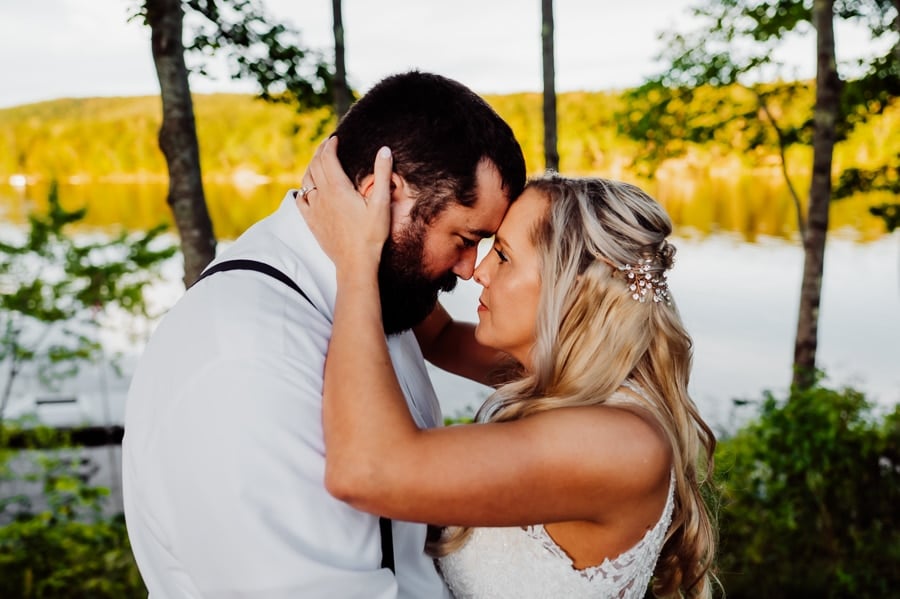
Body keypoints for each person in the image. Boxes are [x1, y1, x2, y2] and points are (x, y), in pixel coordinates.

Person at [122, 71, 526, 598]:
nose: (470, 268)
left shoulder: (372, 289)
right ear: (379, 193)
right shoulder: (248, 360)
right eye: (464, 238)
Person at [299, 140, 718, 598]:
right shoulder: (568, 376)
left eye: (502, 254)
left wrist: (355, 261)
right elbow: (437, 337)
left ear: (571, 288)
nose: (478, 272)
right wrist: (385, 225)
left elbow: (365, 472)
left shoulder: (617, 444)